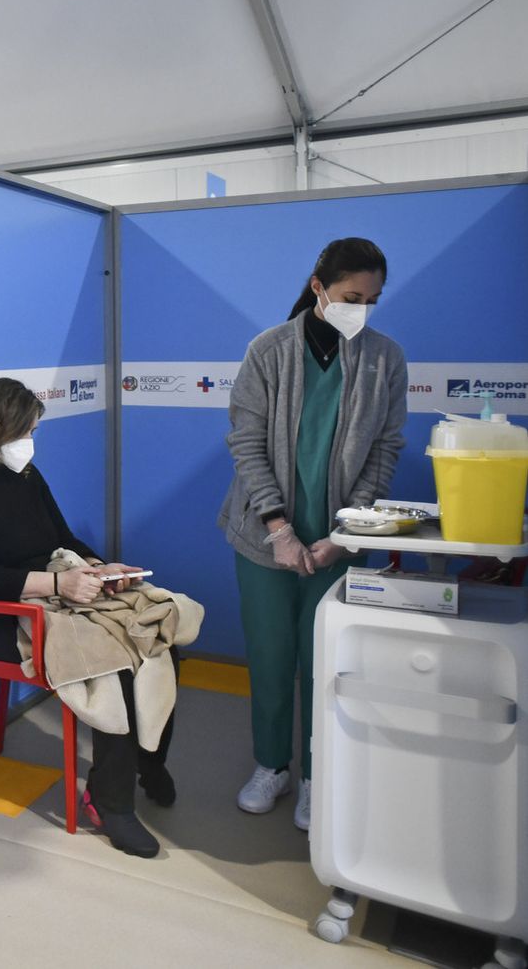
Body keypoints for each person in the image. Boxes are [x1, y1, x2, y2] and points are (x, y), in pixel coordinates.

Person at [0, 378, 173, 858]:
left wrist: (102, 569)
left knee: (157, 638)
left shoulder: (26, 476)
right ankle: (110, 804)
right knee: (116, 661)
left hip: (50, 600)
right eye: (25, 432)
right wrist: (58, 585)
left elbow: (62, 538)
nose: (30, 443)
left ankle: (147, 759)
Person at [220, 238, 406, 831]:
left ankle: (314, 775)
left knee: (325, 661)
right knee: (272, 657)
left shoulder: (385, 360)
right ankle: (271, 766)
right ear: (319, 286)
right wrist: (278, 526)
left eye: (373, 301)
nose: (363, 309)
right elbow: (247, 445)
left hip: (337, 542)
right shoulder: (269, 351)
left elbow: (384, 450)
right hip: (262, 538)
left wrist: (347, 532)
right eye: (353, 297)